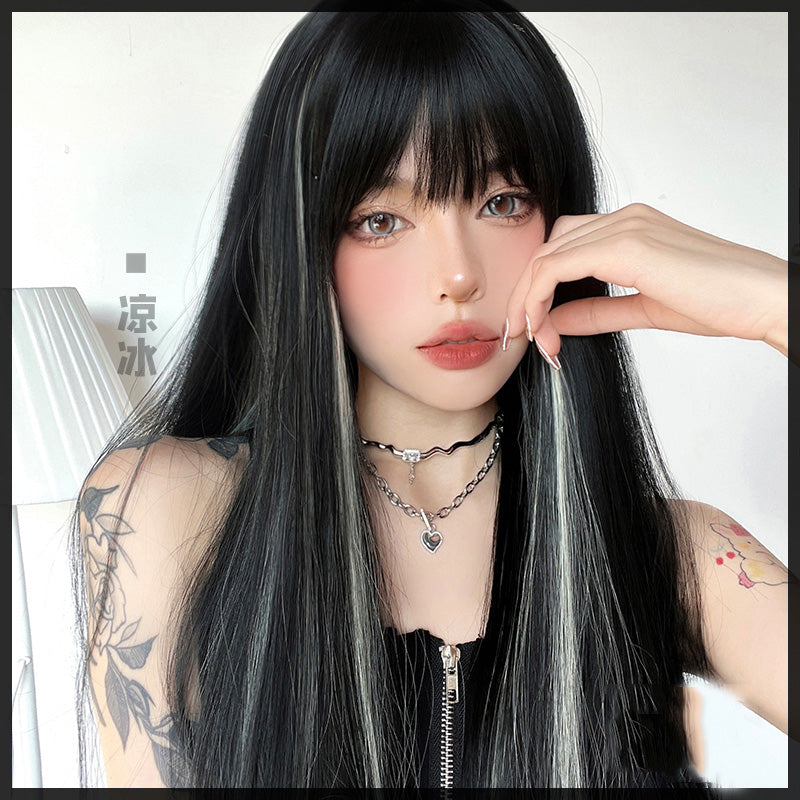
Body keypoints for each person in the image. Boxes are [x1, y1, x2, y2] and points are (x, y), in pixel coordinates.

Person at [73, 5, 790, 790]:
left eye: (503, 202)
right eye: (381, 219)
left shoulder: (676, 555)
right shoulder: (165, 510)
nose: (459, 275)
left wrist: (775, 304)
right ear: (303, 241)